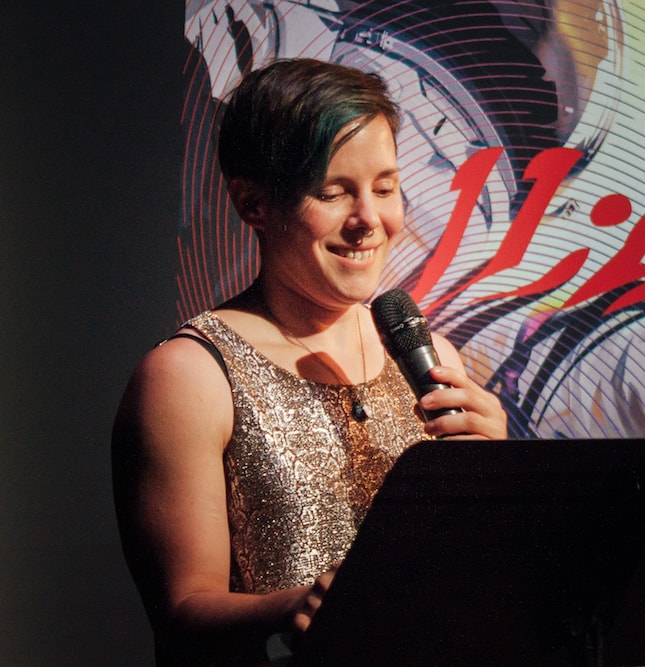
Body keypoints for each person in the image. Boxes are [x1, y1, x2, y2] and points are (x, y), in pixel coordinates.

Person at [112, 58, 508, 665]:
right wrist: (292, 606)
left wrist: (499, 486)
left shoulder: (427, 361)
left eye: (384, 188)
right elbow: (181, 610)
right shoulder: (189, 375)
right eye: (333, 192)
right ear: (252, 203)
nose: (369, 221)